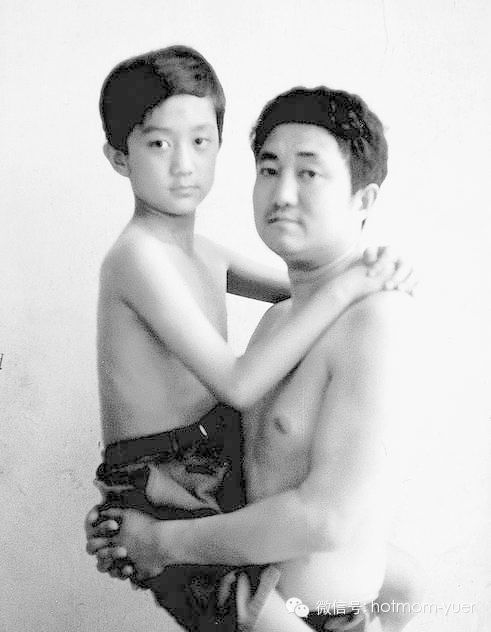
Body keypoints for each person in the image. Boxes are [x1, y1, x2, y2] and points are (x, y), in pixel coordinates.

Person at [88, 46, 417, 632]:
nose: (183, 165)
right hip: (168, 479)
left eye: (201, 142)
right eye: (269, 170)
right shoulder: (143, 258)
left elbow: (310, 291)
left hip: (222, 495)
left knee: (404, 582)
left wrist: (376, 271)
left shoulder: (359, 318)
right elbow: (245, 380)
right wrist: (352, 282)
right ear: (119, 157)